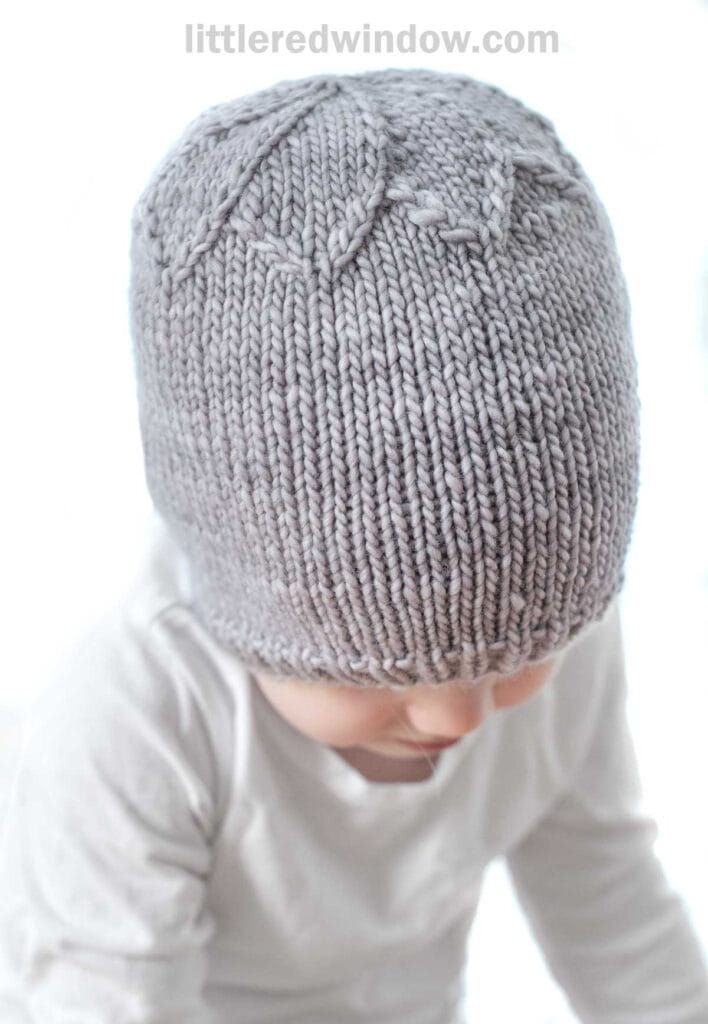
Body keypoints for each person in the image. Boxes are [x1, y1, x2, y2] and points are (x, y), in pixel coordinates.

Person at [1, 66, 707, 1023]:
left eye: (515, 655)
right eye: (380, 667)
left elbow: (610, 902)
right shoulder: (135, 708)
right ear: (250, 585)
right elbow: (112, 1001)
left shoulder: (556, 628)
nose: (461, 714)